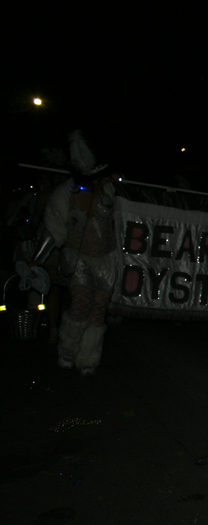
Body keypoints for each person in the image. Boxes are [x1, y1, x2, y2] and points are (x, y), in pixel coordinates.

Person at [28, 131, 119, 376]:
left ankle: (88, 357)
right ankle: (67, 350)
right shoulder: (63, 195)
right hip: (79, 258)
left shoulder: (109, 190)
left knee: (99, 307)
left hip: (107, 259)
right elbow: (53, 230)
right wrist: (38, 258)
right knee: (81, 302)